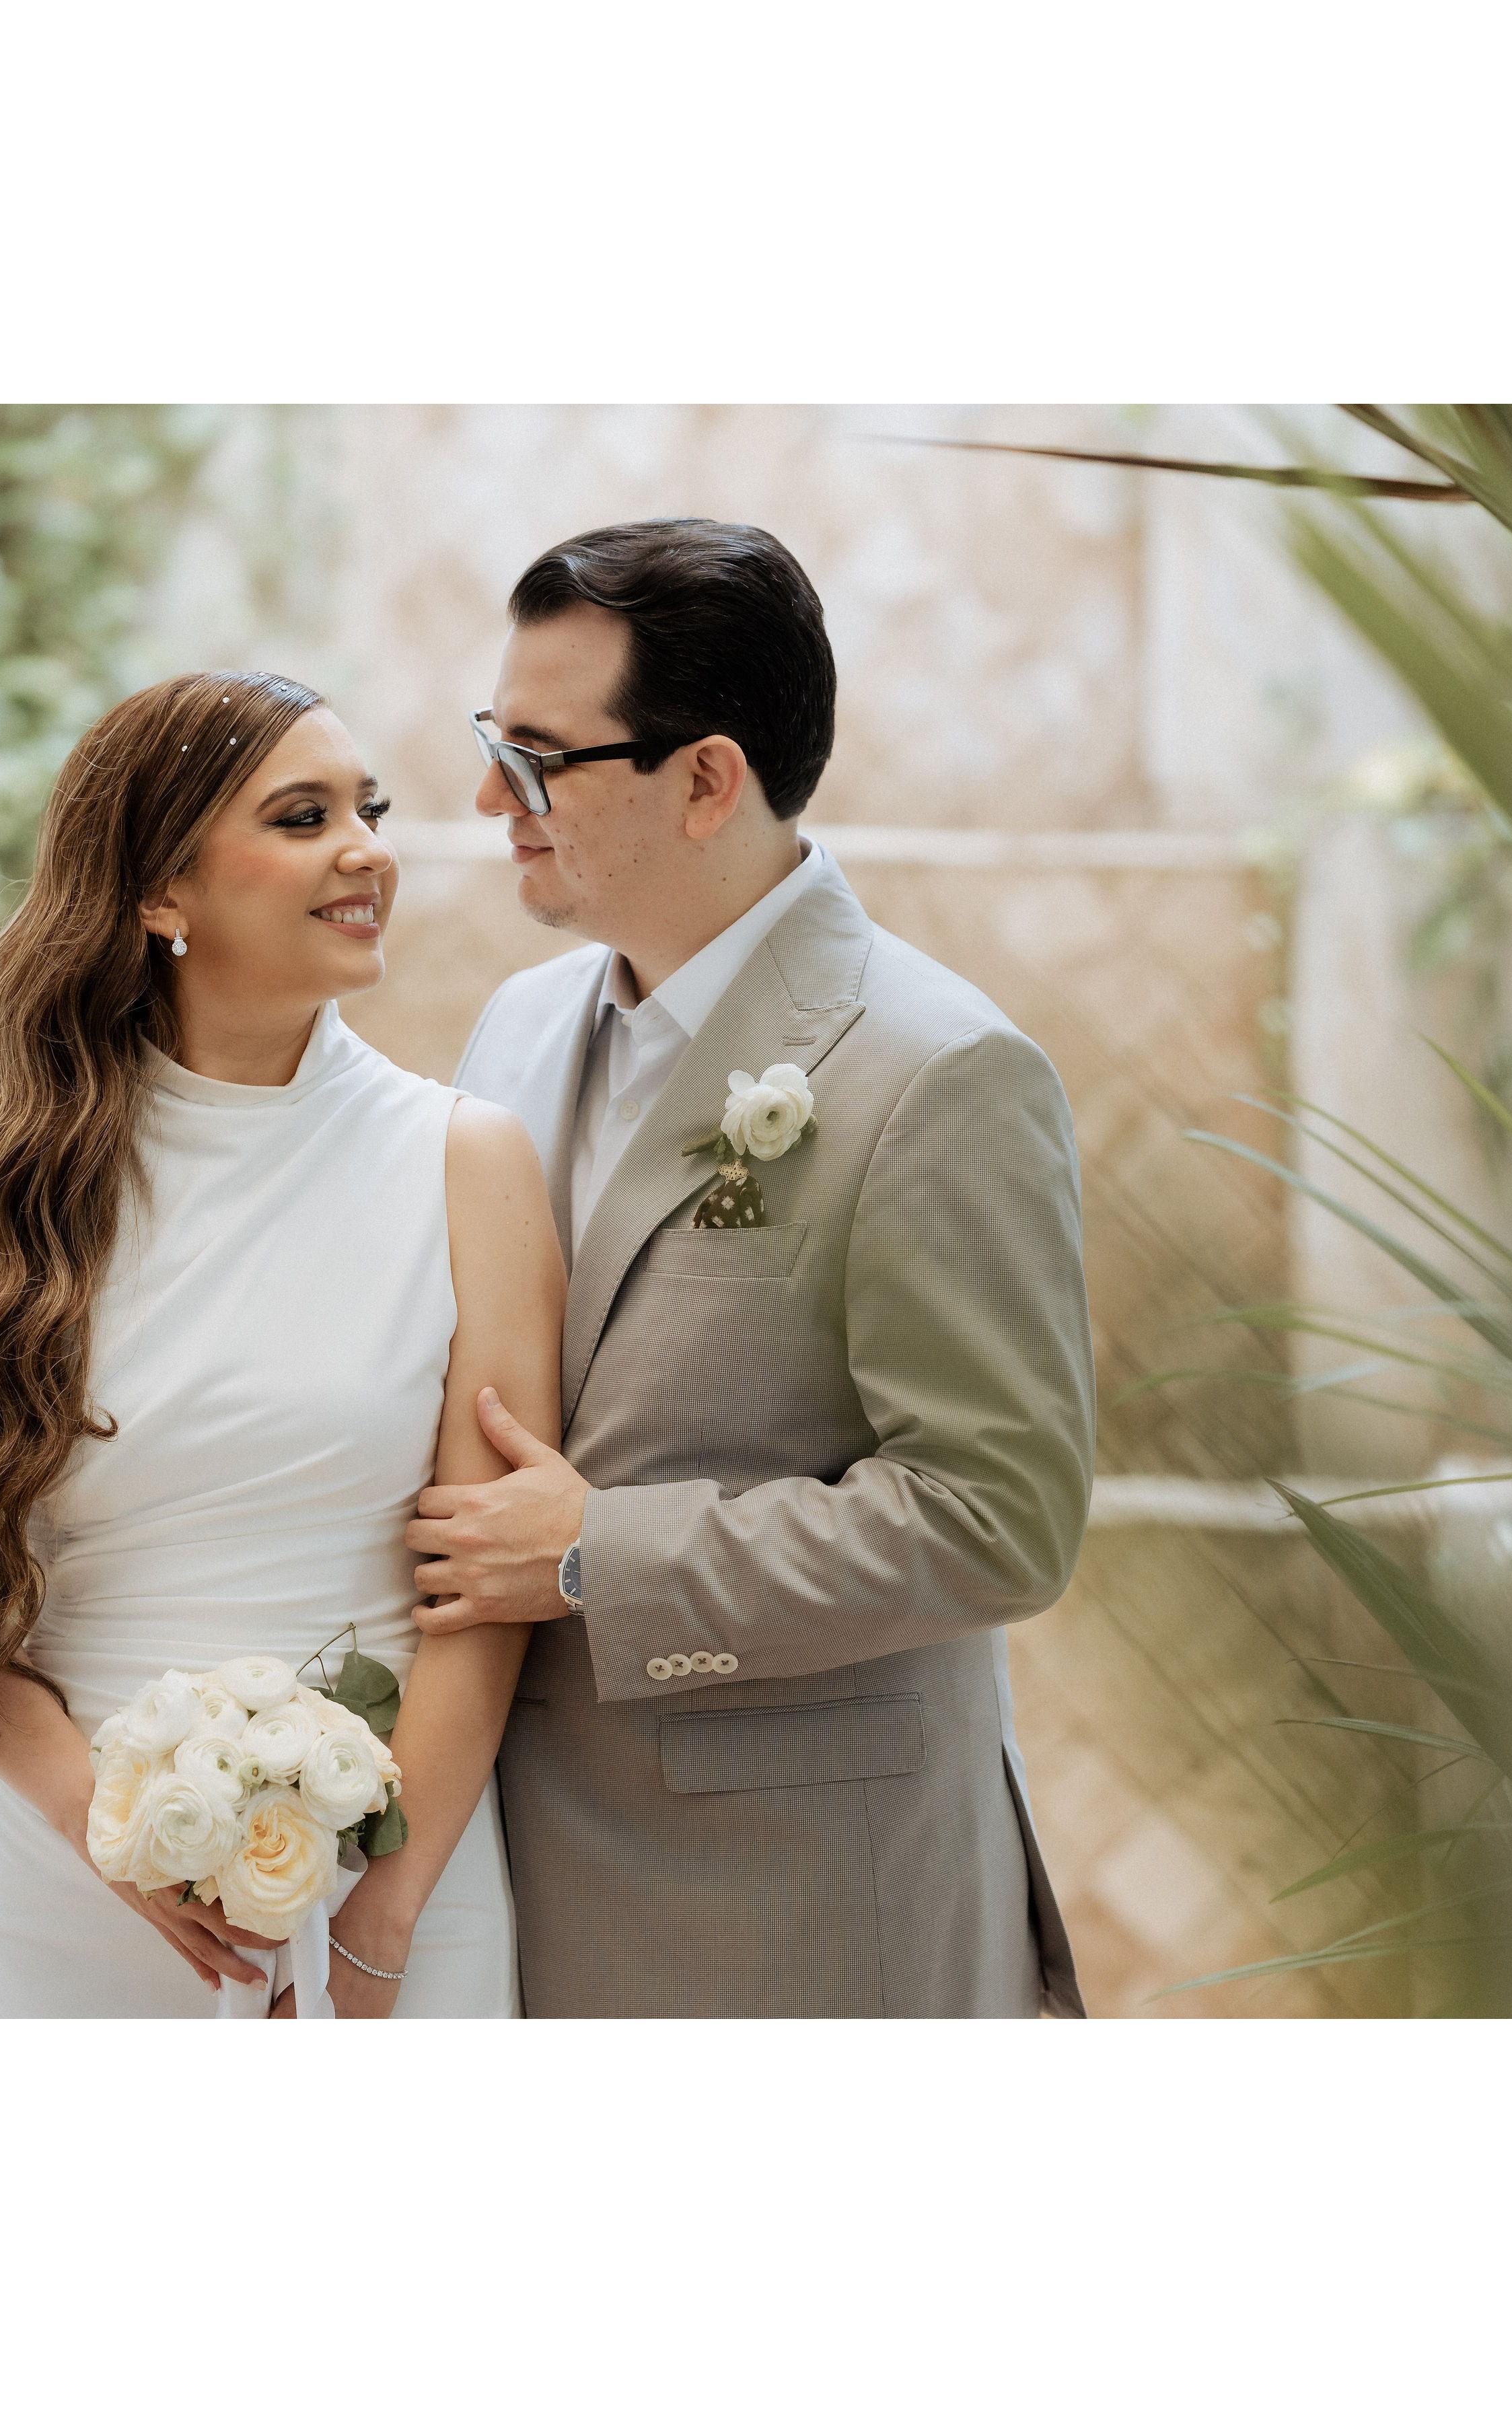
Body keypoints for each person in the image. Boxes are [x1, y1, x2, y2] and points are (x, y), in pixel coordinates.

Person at [413, 520, 1095, 2016]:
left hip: (803, 1917)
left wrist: (600, 1555)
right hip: (510, 1898)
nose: (489, 799)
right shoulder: (515, 1030)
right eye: (490, 743)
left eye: (537, 759)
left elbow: (1001, 1519)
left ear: (708, 780)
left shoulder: (939, 1069)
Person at [0, 671, 561, 2018]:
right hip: (67, 1896)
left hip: (392, 1894)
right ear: (160, 892)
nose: (366, 851)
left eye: (369, 812)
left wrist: (382, 1919)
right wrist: (107, 1836)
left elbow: (483, 1599)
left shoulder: (466, 1162)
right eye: (303, 818)